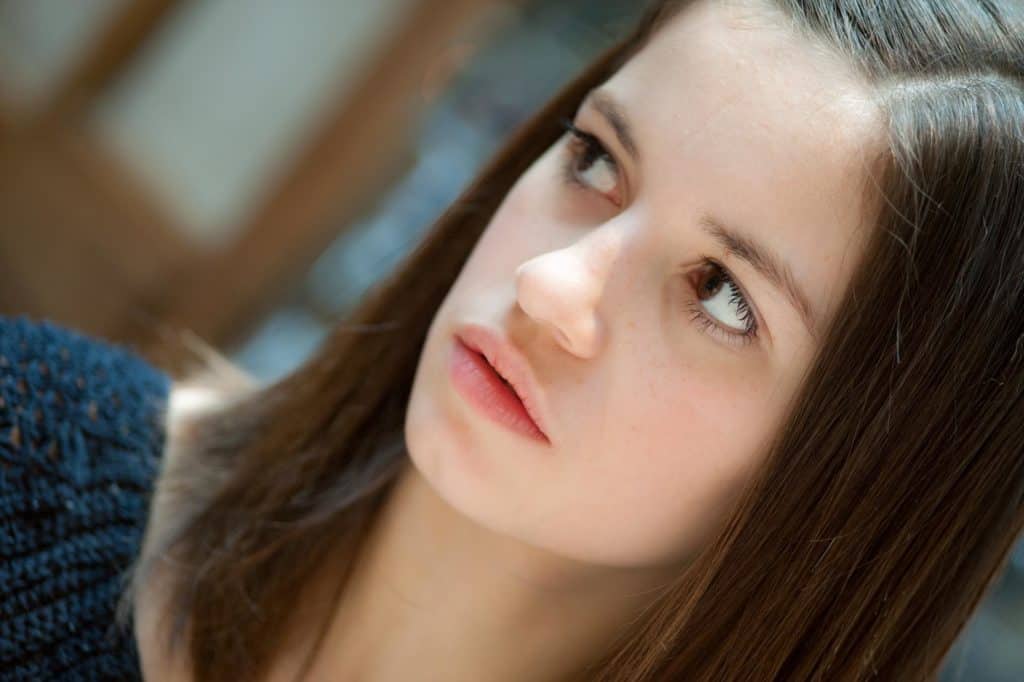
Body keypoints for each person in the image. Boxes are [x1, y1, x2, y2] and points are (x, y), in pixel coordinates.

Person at [3, 0, 1022, 679]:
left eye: (720, 296)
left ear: (866, 484)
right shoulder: (29, 458)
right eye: (596, 159)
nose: (550, 285)